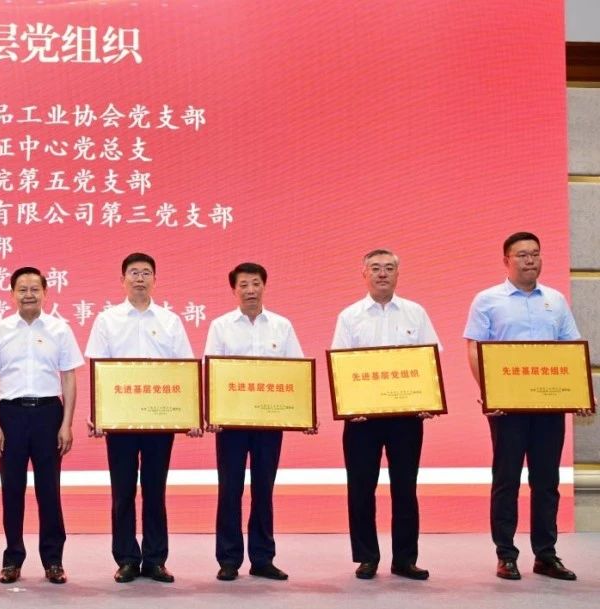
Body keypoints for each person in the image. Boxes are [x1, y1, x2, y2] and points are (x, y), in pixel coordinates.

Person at [464, 231, 593, 581]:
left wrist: (580, 392)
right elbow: (475, 348)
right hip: (507, 408)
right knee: (506, 479)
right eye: (522, 255)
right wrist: (488, 393)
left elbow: (570, 347)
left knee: (547, 481)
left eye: (535, 253)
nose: (530, 260)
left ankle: (546, 555)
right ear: (506, 260)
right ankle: (506, 554)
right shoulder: (487, 300)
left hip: (549, 406)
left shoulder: (555, 300)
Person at [85, 252, 200, 584]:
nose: (139, 278)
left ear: (155, 280)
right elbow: (98, 370)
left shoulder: (170, 321)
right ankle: (126, 559)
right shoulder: (107, 320)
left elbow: (184, 370)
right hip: (120, 420)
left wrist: (190, 414)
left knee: (155, 490)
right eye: (133, 272)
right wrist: (98, 415)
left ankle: (155, 559)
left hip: (159, 419)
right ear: (122, 280)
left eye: (146, 272)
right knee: (122, 491)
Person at [331, 249, 440, 581]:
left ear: (398, 274)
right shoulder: (349, 316)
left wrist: (427, 399)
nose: (382, 274)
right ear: (363, 274)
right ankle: (366, 557)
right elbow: (341, 366)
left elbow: (430, 361)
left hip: (406, 418)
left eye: (389, 268)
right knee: (361, 488)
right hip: (362, 419)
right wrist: (350, 406)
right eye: (376, 268)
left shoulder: (415, 313)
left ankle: (405, 559)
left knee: (405, 488)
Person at [205, 262, 316, 582]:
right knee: (230, 490)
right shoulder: (221, 326)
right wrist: (212, 414)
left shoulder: (282, 326)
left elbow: (296, 372)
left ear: (264, 286)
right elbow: (211, 371)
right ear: (234, 290)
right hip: (231, 424)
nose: (250, 290)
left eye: (255, 283)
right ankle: (228, 559)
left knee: (264, 489)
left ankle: (263, 559)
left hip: (269, 422)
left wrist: (304, 413)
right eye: (243, 285)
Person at [0, 267, 83, 585]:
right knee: (12, 490)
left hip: (49, 414)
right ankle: (12, 559)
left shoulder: (60, 330)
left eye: (35, 289)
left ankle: (53, 560)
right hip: (10, 415)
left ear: (45, 293)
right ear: (12, 294)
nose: (28, 294)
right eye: (22, 289)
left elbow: (69, 378)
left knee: (49, 490)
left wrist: (66, 424)